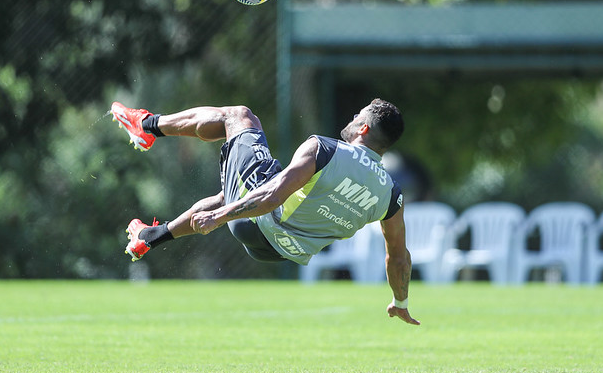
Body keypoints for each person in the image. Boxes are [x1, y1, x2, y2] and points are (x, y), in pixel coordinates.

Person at [110, 99, 419, 326]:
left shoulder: (326, 149)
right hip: (280, 253)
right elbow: (398, 256)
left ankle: (147, 126)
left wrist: (222, 217)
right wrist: (400, 301)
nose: (352, 116)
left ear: (363, 128)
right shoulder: (390, 193)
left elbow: (272, 195)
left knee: (240, 116)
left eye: (357, 114)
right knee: (229, 194)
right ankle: (150, 236)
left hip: (255, 223)